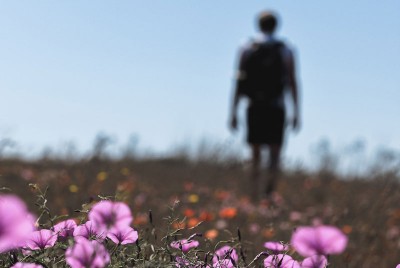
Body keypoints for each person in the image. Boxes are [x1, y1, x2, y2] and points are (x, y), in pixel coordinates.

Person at [229, 11, 300, 198]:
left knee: (255, 152)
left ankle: (254, 194)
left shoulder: (247, 47)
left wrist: (233, 112)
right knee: (275, 153)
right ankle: (270, 193)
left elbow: (238, 81)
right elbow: (292, 81)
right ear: (276, 26)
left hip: (254, 106)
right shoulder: (286, 49)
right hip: (277, 106)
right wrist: (296, 112)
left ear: (258, 25)